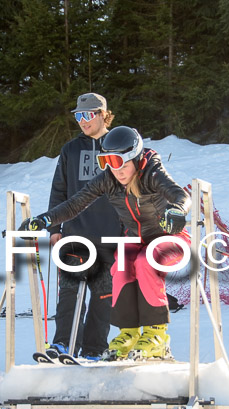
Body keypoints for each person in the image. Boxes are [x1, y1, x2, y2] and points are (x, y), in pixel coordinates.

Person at [22, 126, 191, 361]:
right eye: (108, 162)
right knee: (120, 266)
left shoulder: (152, 171)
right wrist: (46, 219)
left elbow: (181, 196)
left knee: (144, 263)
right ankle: (129, 333)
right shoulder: (109, 178)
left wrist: (177, 211)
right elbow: (75, 204)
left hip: (169, 238)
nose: (117, 170)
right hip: (138, 240)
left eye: (121, 162)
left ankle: (156, 334)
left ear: (135, 158)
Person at [45, 93, 122, 360]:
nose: (82, 121)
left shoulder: (119, 145)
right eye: (78, 116)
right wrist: (55, 228)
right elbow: (59, 189)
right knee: (68, 293)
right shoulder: (70, 150)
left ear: (102, 114)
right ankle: (63, 345)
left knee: (103, 297)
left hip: (110, 236)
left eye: (87, 115)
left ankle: (94, 349)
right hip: (75, 234)